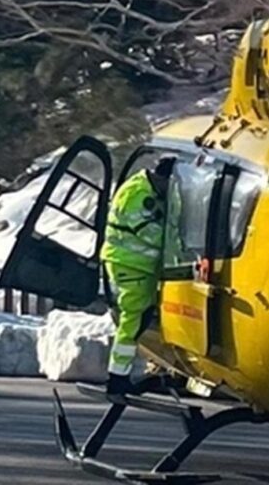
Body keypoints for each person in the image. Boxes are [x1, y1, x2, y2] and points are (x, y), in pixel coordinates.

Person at [101, 156, 175, 398]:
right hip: (132, 266)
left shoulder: (140, 187)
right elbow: (153, 235)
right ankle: (118, 379)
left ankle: (121, 375)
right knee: (134, 319)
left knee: (139, 318)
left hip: (132, 265)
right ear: (162, 179)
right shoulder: (138, 197)